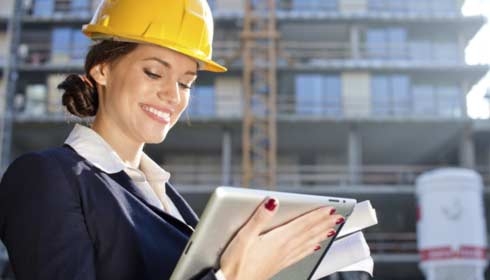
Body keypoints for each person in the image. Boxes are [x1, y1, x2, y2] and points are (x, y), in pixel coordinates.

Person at [0, 0, 345, 279]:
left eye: (186, 83)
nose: (173, 95)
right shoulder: (45, 177)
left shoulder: (173, 204)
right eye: (154, 72)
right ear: (102, 69)